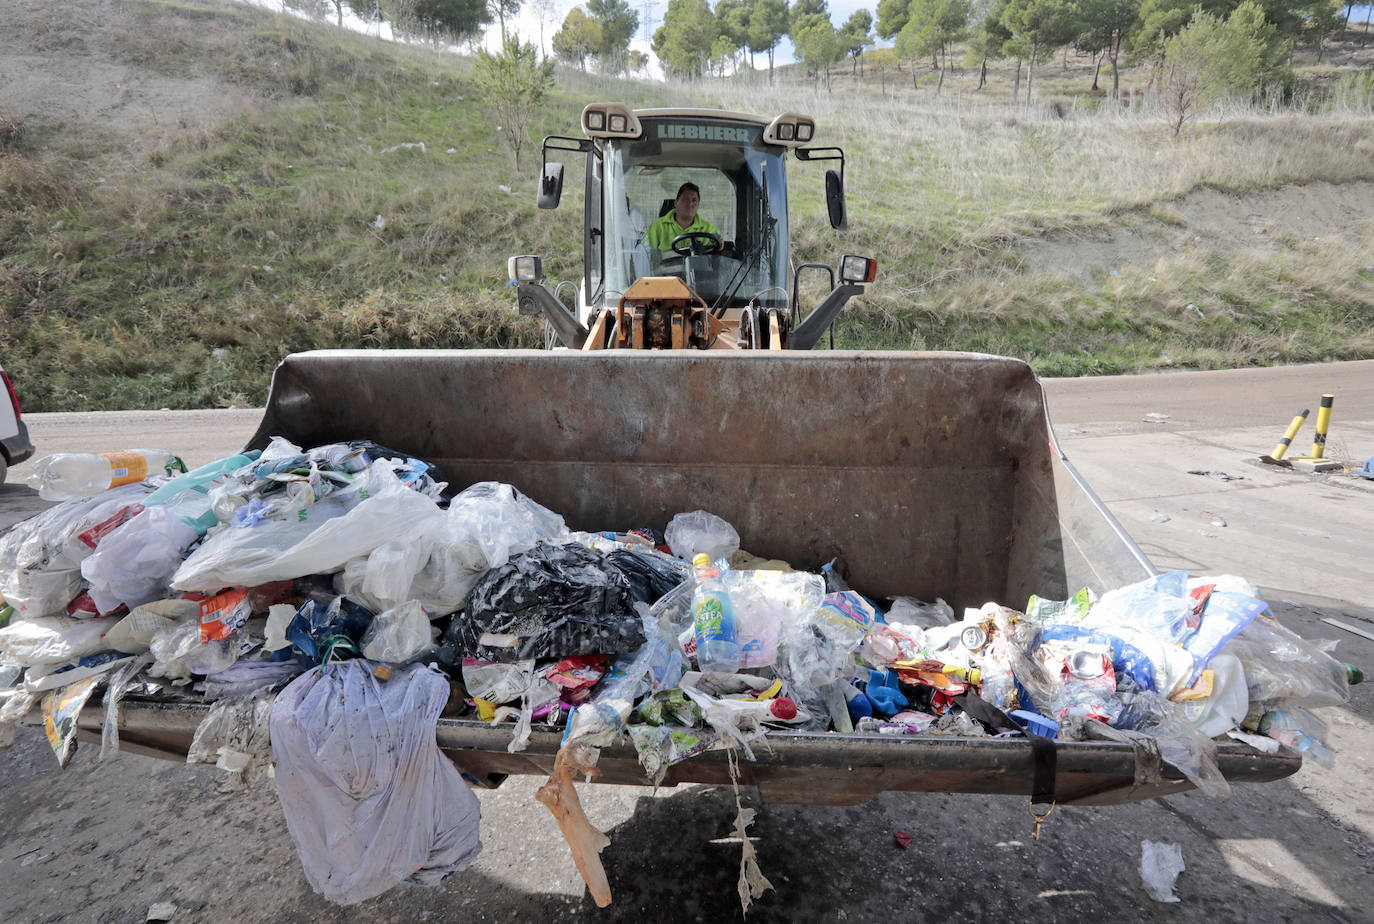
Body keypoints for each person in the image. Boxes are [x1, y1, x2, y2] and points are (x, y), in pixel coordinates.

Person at [645, 182, 720, 252]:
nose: (690, 204)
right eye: (685, 199)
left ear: (698, 205)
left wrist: (720, 246)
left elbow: (717, 254)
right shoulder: (657, 227)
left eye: (694, 200)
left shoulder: (709, 229)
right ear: (676, 202)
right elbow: (646, 253)